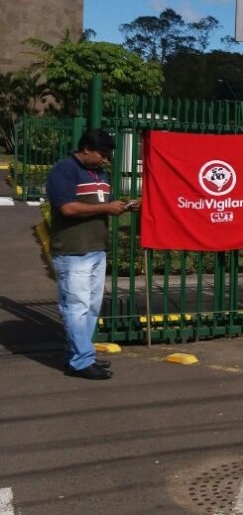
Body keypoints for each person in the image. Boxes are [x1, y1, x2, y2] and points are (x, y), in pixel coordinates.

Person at [46, 129, 136, 380]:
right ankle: (82, 360)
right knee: (76, 307)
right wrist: (107, 207)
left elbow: (104, 202)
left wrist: (122, 205)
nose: (106, 160)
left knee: (91, 306)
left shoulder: (99, 173)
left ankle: (78, 356)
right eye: (103, 155)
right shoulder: (64, 171)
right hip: (73, 250)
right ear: (86, 149)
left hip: (96, 248)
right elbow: (67, 208)